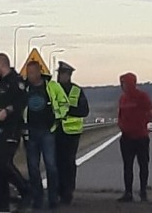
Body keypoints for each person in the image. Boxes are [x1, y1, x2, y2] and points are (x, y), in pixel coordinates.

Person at [24, 60, 69, 210]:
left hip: (47, 131)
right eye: (27, 73)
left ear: (39, 72)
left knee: (51, 166)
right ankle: (37, 199)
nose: (29, 76)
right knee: (33, 168)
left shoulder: (51, 86)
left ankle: (53, 198)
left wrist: (57, 118)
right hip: (30, 132)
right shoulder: (24, 88)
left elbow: (64, 103)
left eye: (32, 73)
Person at [0, 53, 31, 212]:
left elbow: (22, 101)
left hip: (12, 128)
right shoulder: (0, 84)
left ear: (2, 64)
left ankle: (25, 190)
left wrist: (8, 110)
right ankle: (2, 203)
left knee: (2, 162)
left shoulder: (17, 81)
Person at [117, 72, 152, 203]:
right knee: (127, 166)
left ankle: (143, 191)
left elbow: (151, 112)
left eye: (124, 83)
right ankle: (128, 192)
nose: (122, 86)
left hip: (141, 137)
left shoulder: (142, 96)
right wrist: (121, 126)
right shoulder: (122, 98)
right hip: (127, 137)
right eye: (121, 83)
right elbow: (120, 114)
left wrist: (142, 123)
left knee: (143, 165)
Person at [55, 61, 89, 206]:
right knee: (56, 162)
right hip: (56, 131)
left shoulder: (76, 91)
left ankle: (68, 192)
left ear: (68, 75)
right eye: (59, 74)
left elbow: (84, 111)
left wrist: (67, 111)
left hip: (71, 133)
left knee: (68, 163)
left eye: (63, 74)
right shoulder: (53, 89)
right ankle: (58, 191)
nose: (60, 76)